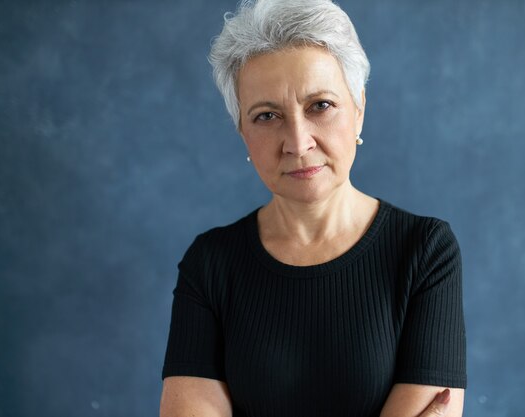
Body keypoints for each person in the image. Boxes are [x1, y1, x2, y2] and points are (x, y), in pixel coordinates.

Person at [159, 0, 467, 416]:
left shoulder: (425, 251)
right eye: (267, 116)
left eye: (320, 106)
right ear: (242, 132)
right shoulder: (210, 265)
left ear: (359, 109)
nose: (298, 142)